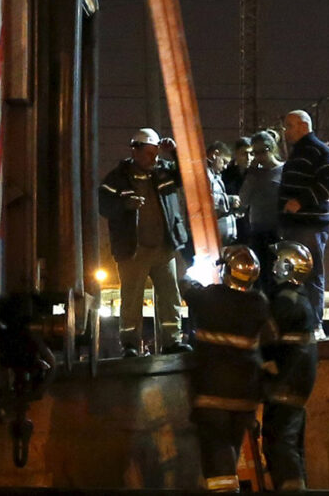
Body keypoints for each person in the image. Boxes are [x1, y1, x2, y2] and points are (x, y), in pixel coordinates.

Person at [182, 245, 277, 492]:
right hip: (246, 396)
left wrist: (192, 272)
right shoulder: (259, 302)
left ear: (226, 270)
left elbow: (187, 289)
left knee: (216, 454)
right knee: (230, 450)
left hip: (212, 393)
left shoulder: (211, 296)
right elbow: (270, 337)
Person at [98, 128, 190, 357]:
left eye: (156, 153)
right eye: (148, 153)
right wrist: (125, 205)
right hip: (133, 251)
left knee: (170, 296)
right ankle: (130, 344)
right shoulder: (117, 177)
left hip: (163, 248)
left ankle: (172, 341)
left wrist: (175, 153)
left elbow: (188, 177)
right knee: (131, 299)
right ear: (135, 150)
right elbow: (104, 206)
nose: (153, 158)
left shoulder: (164, 171)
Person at [260, 240, 318, 492]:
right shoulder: (301, 299)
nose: (273, 265)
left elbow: (265, 336)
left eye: (277, 260)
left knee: (279, 442)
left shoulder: (285, 301)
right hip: (295, 381)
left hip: (285, 381)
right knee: (291, 444)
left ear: (287, 266)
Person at [277, 109, 329, 326]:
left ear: (304, 125)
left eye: (289, 126)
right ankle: (297, 322)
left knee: (310, 273)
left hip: (310, 224)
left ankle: (313, 323)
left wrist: (300, 202)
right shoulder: (298, 152)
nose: (285, 132)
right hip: (294, 225)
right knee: (292, 274)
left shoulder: (319, 151)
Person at [238, 131, 284, 291]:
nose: (258, 156)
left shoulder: (283, 171)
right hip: (257, 231)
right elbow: (243, 201)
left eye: (261, 151)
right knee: (259, 276)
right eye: (255, 153)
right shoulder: (254, 174)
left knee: (277, 276)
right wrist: (250, 175)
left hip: (278, 231)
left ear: (271, 149)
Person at [207, 141, 241, 245]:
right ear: (215, 154)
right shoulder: (204, 174)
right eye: (224, 162)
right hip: (212, 241)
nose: (225, 167)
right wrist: (230, 200)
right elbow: (207, 199)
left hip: (222, 241)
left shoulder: (215, 175)